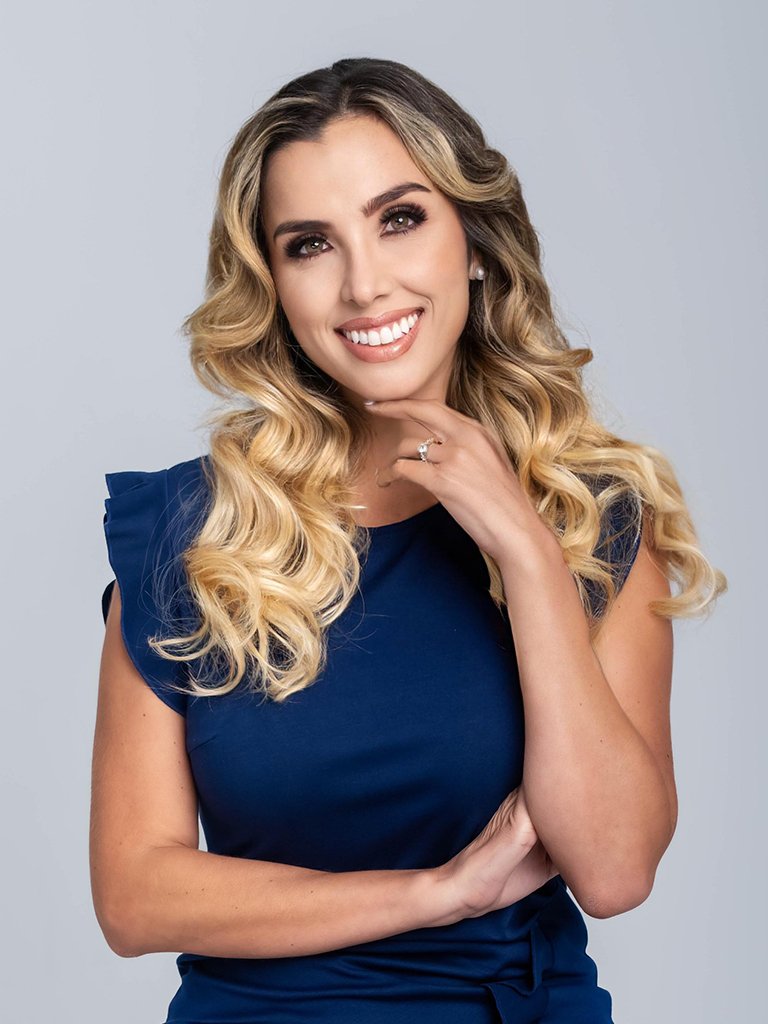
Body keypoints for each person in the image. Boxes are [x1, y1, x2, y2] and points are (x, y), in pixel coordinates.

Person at [90, 57, 726, 1024]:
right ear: (273, 285)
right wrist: (437, 894)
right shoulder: (193, 534)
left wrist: (524, 550)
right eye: (311, 244)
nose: (363, 284)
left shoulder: (589, 518)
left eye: (399, 218)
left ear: (473, 240)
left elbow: (614, 868)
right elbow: (135, 896)